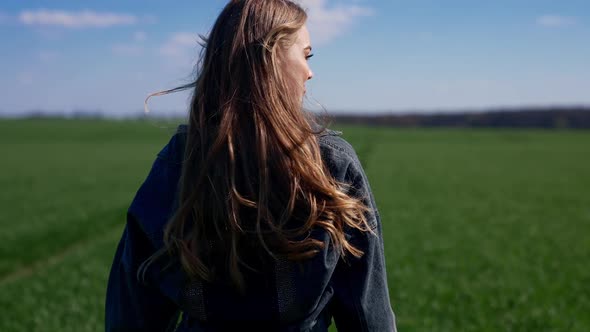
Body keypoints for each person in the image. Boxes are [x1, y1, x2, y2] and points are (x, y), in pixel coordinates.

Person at [105, 0, 396, 331]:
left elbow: (131, 313)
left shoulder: (177, 162)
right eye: (306, 54)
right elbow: (368, 317)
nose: (310, 71)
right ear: (270, 60)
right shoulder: (331, 163)